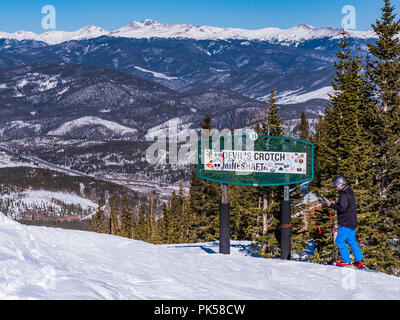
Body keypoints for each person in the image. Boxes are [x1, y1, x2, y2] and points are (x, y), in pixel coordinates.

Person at [327, 176, 364, 268]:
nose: (335, 187)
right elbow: (345, 206)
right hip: (352, 221)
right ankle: (359, 260)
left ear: (339, 185)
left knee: (339, 241)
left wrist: (331, 205)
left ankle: (346, 261)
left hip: (345, 222)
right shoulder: (349, 191)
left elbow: (342, 209)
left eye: (335, 185)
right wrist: (335, 204)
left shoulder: (344, 194)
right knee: (351, 240)